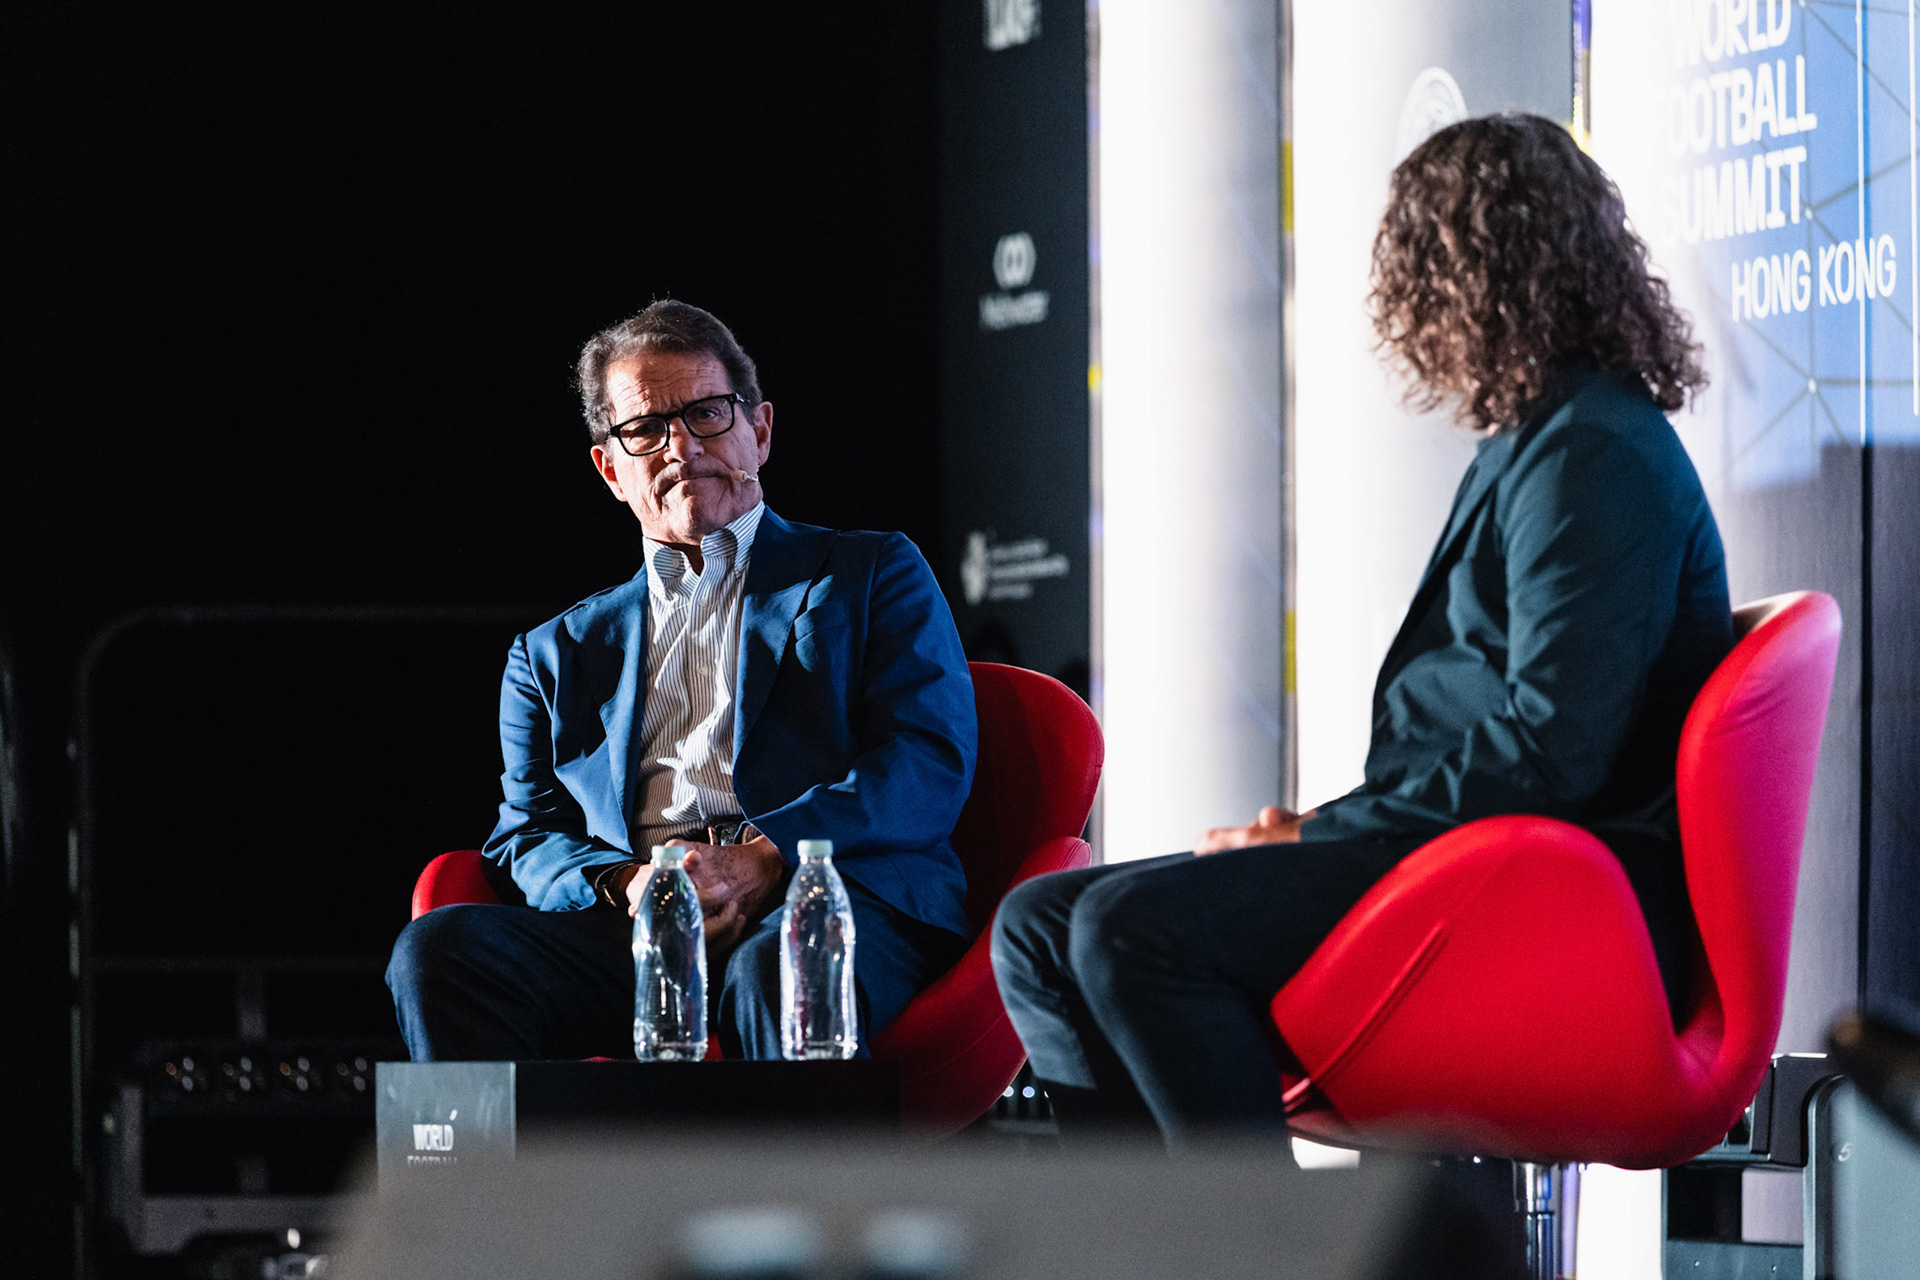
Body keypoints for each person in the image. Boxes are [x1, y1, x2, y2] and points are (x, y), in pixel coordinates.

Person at [991, 113, 1733, 1139]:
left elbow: (1554, 747)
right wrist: (1317, 830)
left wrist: (1314, 832)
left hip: (1550, 886)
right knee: (1037, 925)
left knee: (1129, 931)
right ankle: (1147, 1242)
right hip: (1464, 851)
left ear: (1465, 273)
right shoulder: (1544, 440)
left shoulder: (1591, 454)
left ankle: (1266, 1251)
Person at [387, 300, 976, 1061]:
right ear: (609, 467)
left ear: (759, 430)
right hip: (639, 926)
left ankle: (798, 1188)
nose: (682, 447)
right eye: (645, 429)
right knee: (443, 952)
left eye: (706, 413)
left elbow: (926, 761)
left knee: (786, 965)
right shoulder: (555, 651)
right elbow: (525, 833)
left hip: (823, 900)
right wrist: (630, 888)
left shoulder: (868, 573)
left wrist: (765, 858)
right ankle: (514, 1187)